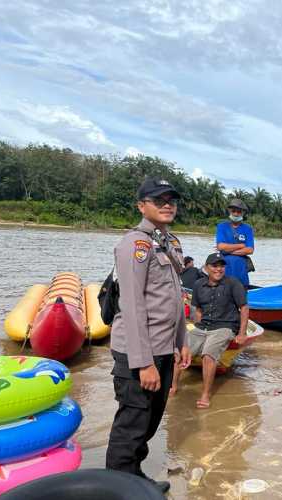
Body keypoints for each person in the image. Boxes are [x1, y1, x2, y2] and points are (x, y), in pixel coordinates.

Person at [105, 178, 191, 493]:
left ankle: (134, 478)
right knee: (132, 424)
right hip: (138, 353)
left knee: (149, 422)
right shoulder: (135, 244)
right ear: (142, 205)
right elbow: (132, 305)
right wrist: (144, 364)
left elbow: (174, 298)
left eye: (172, 199)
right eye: (159, 199)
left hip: (163, 348)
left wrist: (181, 341)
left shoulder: (166, 243)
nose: (168, 204)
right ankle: (116, 490)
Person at [187, 252, 249, 409]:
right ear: (207, 268)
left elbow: (244, 308)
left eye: (221, 266)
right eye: (215, 266)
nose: (219, 269)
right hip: (204, 326)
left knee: (208, 355)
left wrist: (241, 333)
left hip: (225, 326)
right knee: (179, 350)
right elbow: (198, 310)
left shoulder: (233, 283)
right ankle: (172, 387)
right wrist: (197, 328)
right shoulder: (198, 285)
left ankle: (205, 394)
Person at [215, 199, 255, 288]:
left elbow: (250, 250)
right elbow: (221, 246)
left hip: (241, 271)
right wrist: (241, 245)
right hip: (224, 269)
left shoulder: (248, 229)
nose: (236, 214)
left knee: (241, 294)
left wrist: (227, 250)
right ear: (229, 211)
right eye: (233, 211)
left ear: (243, 213)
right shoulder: (222, 226)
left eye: (239, 212)